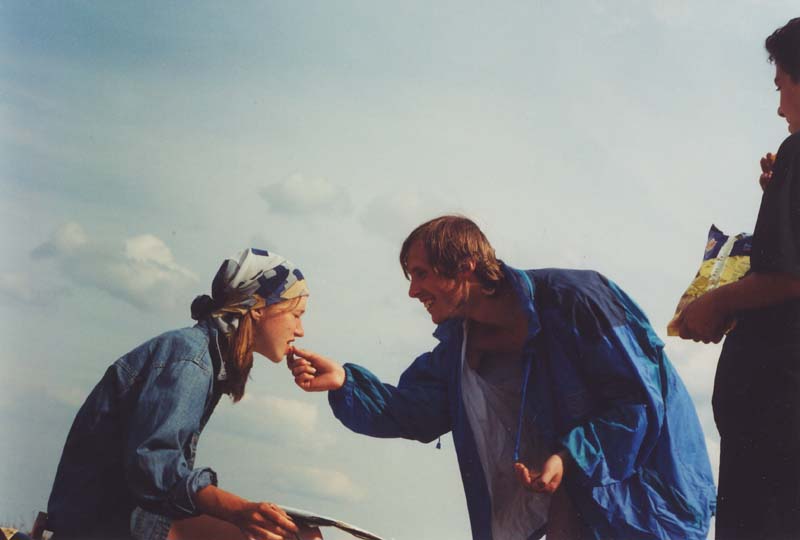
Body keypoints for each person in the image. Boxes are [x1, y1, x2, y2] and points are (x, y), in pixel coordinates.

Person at [288, 215, 716, 540]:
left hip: (649, 501)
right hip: (569, 504)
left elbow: (638, 402)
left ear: (465, 267)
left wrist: (570, 456)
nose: (413, 291)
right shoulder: (459, 348)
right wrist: (344, 382)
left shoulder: (577, 299)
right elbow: (417, 411)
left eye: (422, 273)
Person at [46, 249, 320, 540]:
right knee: (297, 537)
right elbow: (154, 467)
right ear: (258, 309)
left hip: (121, 516)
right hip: (103, 524)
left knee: (297, 534)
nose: (300, 330)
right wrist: (240, 511)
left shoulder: (204, 355)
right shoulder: (190, 359)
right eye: (296, 314)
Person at [676, 17, 800, 540]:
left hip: (776, 419)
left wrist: (715, 303)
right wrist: (780, 193)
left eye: (781, 86)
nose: (780, 107)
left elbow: (790, 276)